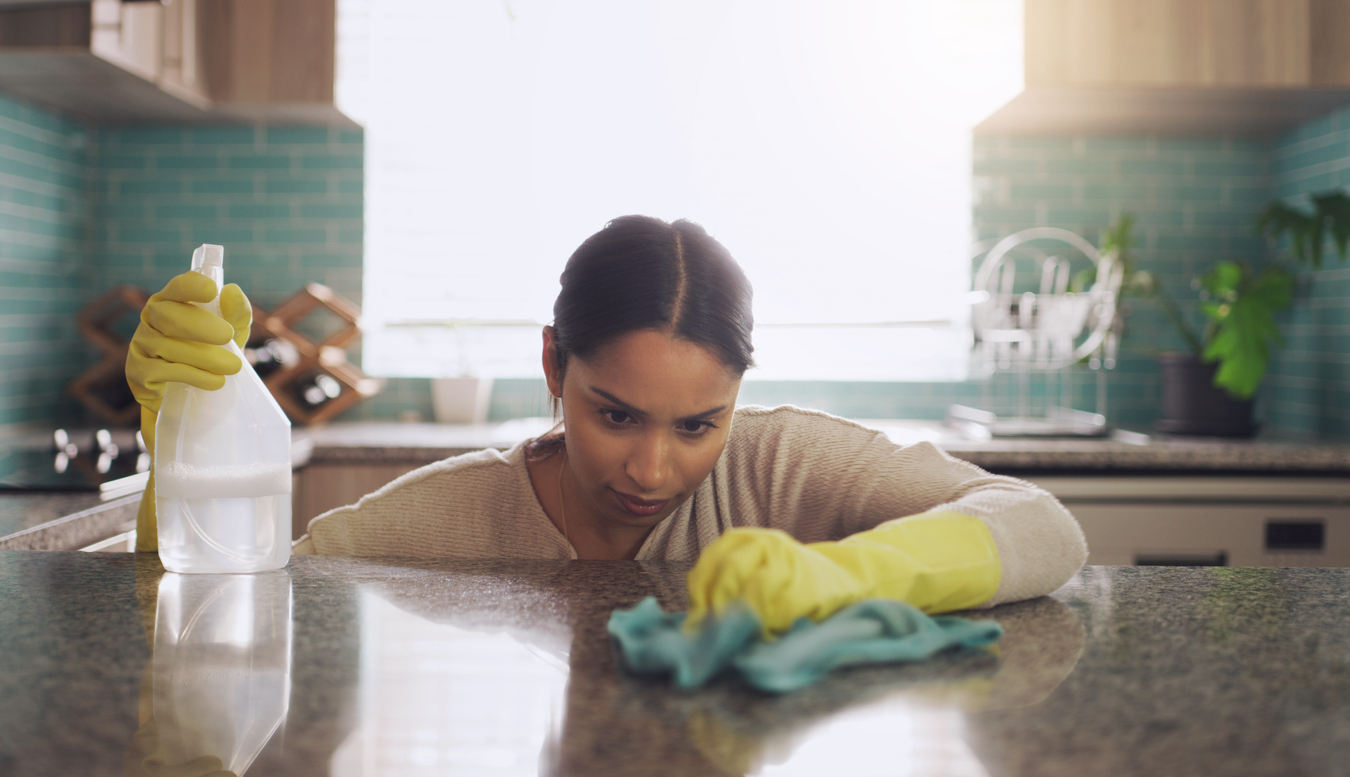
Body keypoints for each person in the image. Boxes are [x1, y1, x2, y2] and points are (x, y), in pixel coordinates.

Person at [127, 215, 1087, 627]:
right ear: (553, 366)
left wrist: (845, 569)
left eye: (699, 423)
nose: (654, 470)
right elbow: (215, 606)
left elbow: (1043, 526)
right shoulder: (450, 516)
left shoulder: (783, 464)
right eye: (616, 414)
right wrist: (179, 434)